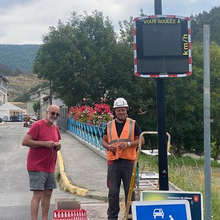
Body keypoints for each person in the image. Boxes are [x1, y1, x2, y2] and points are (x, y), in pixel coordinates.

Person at [102, 98, 145, 220]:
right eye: (118, 110)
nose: (121, 112)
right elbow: (104, 140)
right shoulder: (109, 125)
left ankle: (131, 216)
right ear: (115, 111)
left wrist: (129, 144)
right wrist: (108, 146)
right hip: (113, 162)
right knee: (113, 192)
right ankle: (112, 216)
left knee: (130, 192)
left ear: (126, 110)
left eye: (123, 110)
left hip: (128, 162)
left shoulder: (133, 123)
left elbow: (141, 140)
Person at [22, 105, 61, 220]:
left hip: (50, 167)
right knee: (38, 195)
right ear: (47, 112)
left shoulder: (55, 128)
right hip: (37, 166)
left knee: (48, 193)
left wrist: (58, 146)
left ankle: (45, 218)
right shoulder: (37, 125)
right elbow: (25, 141)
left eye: (57, 114)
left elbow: (57, 144)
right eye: (52, 113)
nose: (54, 116)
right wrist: (44, 144)